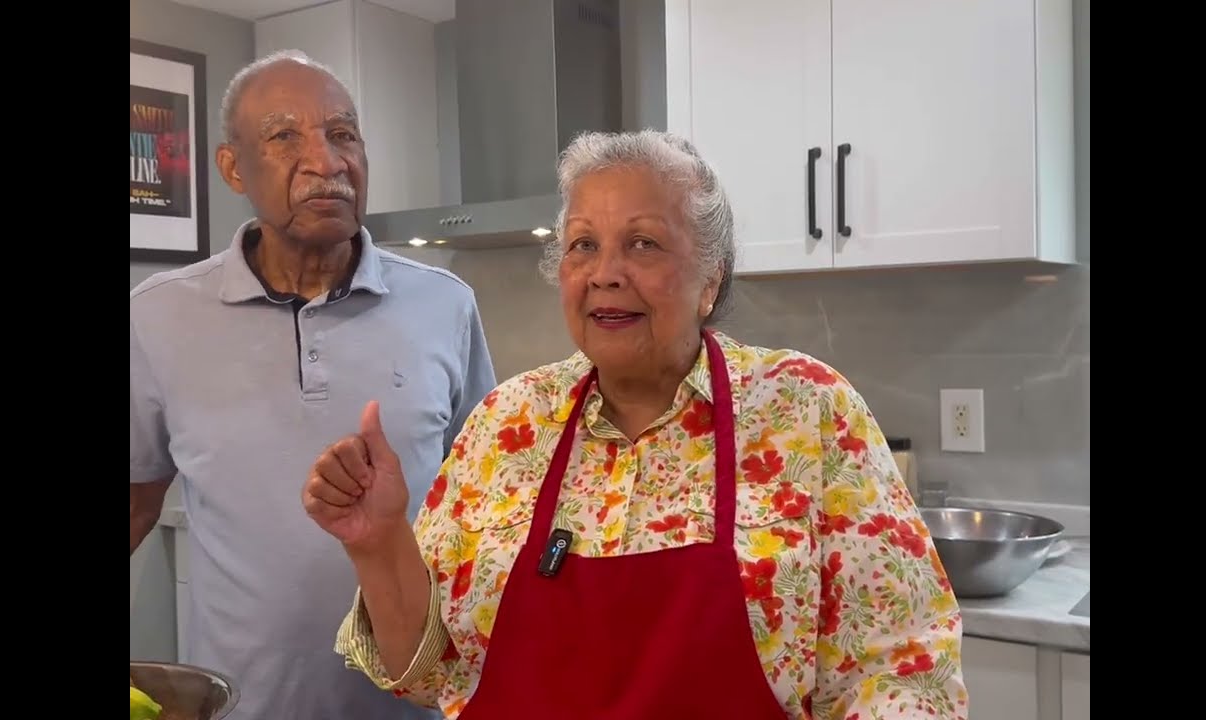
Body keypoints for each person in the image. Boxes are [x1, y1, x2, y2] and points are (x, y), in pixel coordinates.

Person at [305, 129, 969, 719]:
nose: (605, 274)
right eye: (583, 245)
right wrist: (380, 541)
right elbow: (429, 676)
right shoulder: (506, 424)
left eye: (643, 243)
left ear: (711, 278)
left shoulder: (806, 412)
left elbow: (901, 674)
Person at [130, 50, 496, 720]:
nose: (327, 162)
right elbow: (134, 503)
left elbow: (489, 514)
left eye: (343, 134)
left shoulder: (446, 305)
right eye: (284, 136)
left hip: (418, 704)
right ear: (233, 167)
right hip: (244, 704)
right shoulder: (157, 315)